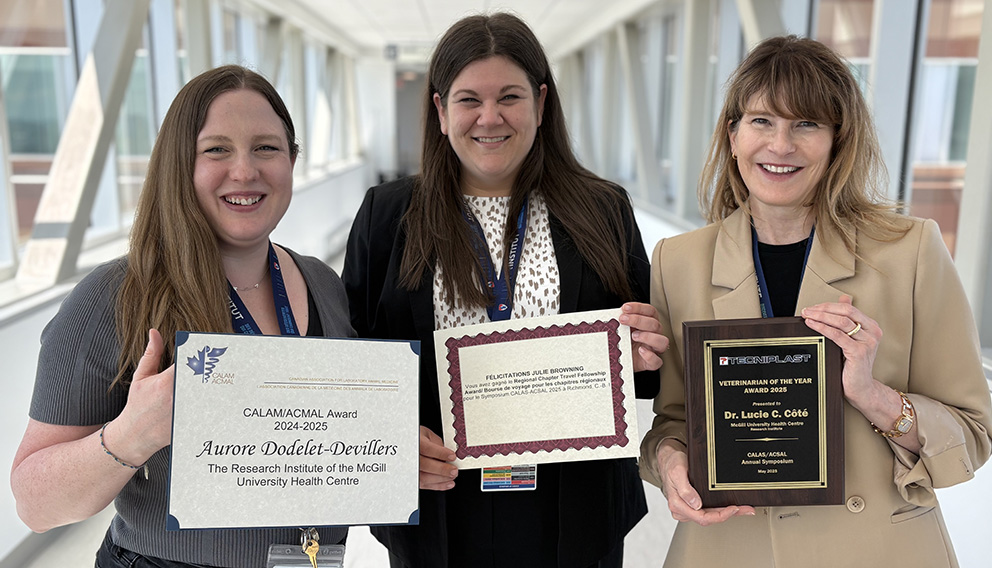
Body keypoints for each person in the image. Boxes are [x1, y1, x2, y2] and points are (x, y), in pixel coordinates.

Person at [639, 35, 992, 567]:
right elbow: (673, 421)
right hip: (730, 547)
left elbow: (973, 434)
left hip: (875, 549)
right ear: (732, 136)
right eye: (761, 121)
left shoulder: (910, 252)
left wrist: (873, 394)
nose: (780, 146)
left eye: (805, 124)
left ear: (837, 141)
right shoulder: (677, 262)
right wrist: (667, 461)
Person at [343, 12, 668, 568]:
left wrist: (643, 353)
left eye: (510, 97)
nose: (489, 118)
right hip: (438, 503)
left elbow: (646, 369)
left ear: (541, 104)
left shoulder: (603, 210)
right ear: (441, 111)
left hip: (572, 504)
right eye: (469, 99)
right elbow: (351, 362)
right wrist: (388, 441)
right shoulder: (387, 215)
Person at [10, 65, 353, 567]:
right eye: (216, 150)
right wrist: (133, 434)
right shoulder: (113, 296)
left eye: (266, 148)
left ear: (293, 160)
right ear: (179, 165)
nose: (245, 171)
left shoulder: (323, 283)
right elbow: (34, 506)